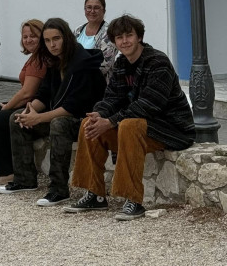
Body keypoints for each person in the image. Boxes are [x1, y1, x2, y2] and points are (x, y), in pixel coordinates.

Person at [64, 15, 195, 221]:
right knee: (89, 124)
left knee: (128, 125)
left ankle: (133, 200)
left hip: (170, 128)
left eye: (129, 36)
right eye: (119, 37)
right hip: (139, 126)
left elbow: (149, 105)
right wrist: (100, 114)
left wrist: (111, 121)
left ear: (139, 37)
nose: (124, 41)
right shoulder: (122, 64)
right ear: (114, 41)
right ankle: (95, 195)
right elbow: (112, 98)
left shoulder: (158, 62)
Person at [0, 18, 105, 206]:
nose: (52, 45)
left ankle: (58, 189)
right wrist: (30, 111)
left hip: (84, 120)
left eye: (56, 39)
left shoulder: (82, 63)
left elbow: (72, 108)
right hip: (63, 114)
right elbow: (44, 94)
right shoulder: (55, 62)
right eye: (47, 41)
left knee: (59, 124)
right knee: (17, 118)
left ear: (66, 38)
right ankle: (25, 180)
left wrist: (38, 118)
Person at [0, 20, 46, 178]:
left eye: (33, 36)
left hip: (37, 107)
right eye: (25, 37)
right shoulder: (34, 58)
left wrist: (8, 106)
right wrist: (7, 105)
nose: (28, 40)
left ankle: (8, 170)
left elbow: (27, 93)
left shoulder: (39, 60)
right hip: (28, 103)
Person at [73, 0, 118, 81]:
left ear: (104, 11)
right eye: (89, 7)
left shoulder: (110, 33)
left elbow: (104, 65)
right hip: (76, 81)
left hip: (97, 83)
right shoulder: (78, 30)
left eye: (96, 8)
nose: (92, 11)